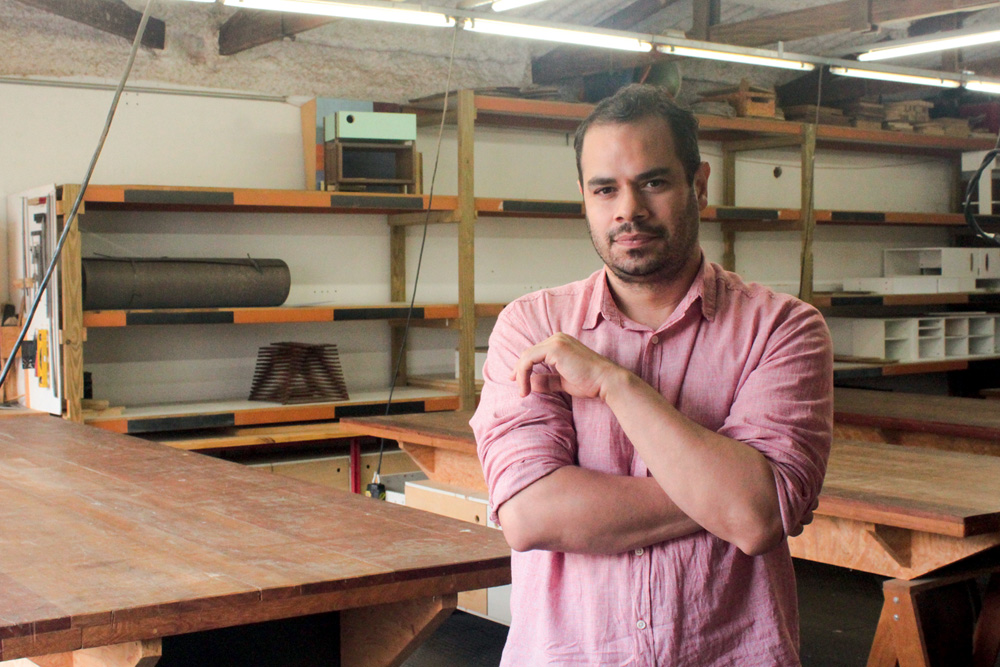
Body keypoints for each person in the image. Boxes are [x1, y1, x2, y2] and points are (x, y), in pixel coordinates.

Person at [469, 83, 833, 666]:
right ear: (583, 197)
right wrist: (726, 497)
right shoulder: (531, 325)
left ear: (700, 184)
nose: (628, 209)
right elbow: (529, 514)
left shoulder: (783, 329)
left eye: (654, 182)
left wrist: (617, 385)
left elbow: (756, 518)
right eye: (605, 188)